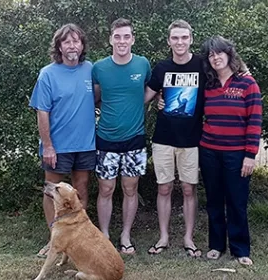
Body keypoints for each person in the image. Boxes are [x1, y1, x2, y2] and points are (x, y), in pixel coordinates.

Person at [29, 24, 96, 258]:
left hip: (86, 144)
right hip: (57, 147)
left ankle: (79, 238)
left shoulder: (90, 69)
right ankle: (54, 240)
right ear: (59, 46)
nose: (72, 46)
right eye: (67, 42)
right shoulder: (48, 73)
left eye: (76, 41)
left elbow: (99, 97)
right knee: (51, 192)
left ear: (82, 45)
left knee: (81, 189)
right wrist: (48, 145)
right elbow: (42, 112)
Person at [199, 35, 262, 265]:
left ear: (229, 54)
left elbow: (255, 121)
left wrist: (250, 155)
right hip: (209, 151)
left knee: (236, 202)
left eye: (219, 53)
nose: (215, 58)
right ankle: (216, 245)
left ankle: (240, 249)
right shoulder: (208, 84)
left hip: (237, 154)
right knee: (214, 201)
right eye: (211, 54)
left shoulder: (247, 83)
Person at [144, 20, 205, 257]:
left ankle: (188, 238)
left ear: (191, 39)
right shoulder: (162, 68)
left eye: (184, 37)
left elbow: (228, 72)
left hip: (191, 140)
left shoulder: (202, 64)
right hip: (163, 139)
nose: (180, 42)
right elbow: (144, 97)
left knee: (189, 189)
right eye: (175, 38)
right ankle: (164, 237)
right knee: (164, 188)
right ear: (169, 41)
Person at [92, 18, 151, 255]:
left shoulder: (142, 64)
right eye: (117, 37)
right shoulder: (99, 68)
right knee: (105, 189)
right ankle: (104, 235)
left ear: (133, 39)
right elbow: (95, 97)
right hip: (106, 137)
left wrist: (149, 101)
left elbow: (151, 89)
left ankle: (126, 235)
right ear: (110, 39)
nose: (122, 41)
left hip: (135, 138)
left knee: (130, 188)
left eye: (126, 36)